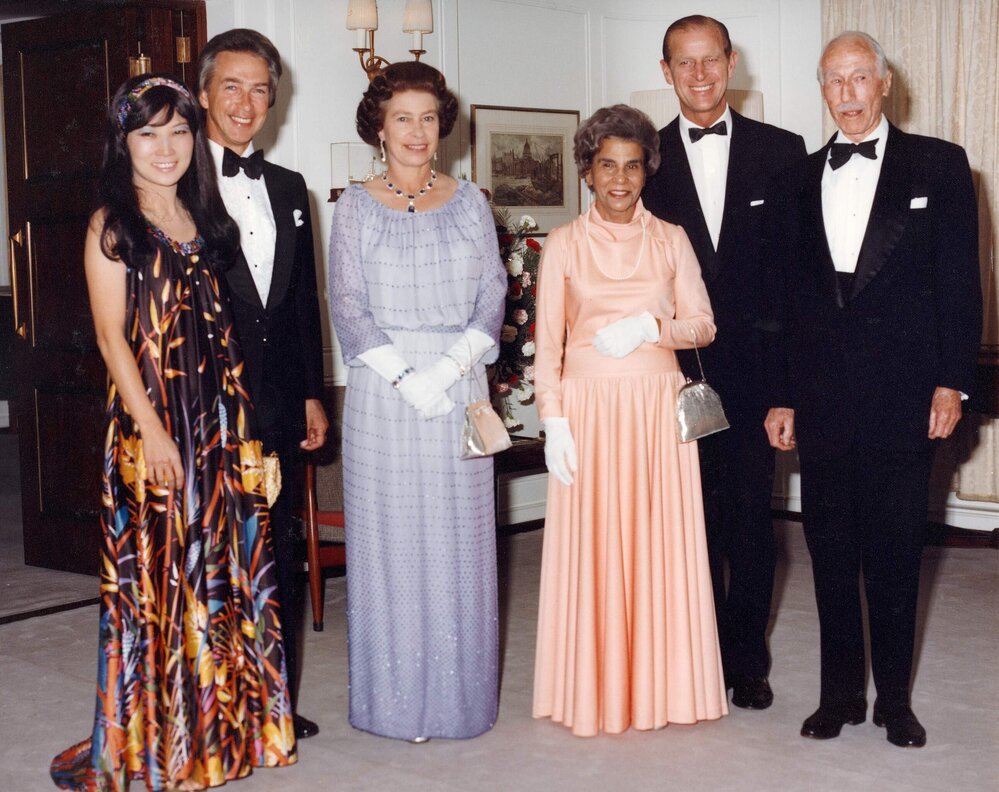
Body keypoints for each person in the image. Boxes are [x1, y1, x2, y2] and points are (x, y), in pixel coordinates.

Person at [50, 74, 296, 790]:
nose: (166, 148)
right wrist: (153, 433)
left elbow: (222, 333)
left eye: (180, 132)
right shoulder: (113, 223)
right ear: (122, 142)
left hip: (218, 420)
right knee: (163, 576)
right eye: (148, 133)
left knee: (221, 567)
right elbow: (111, 338)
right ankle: (167, 740)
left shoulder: (201, 213)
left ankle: (221, 733)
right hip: (155, 421)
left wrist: (245, 430)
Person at [765, 32, 982, 748]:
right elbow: (786, 302)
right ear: (822, 89)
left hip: (904, 395)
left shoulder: (939, 165)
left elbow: (961, 283)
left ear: (885, 83)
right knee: (828, 552)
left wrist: (952, 382)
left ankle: (894, 700)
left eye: (859, 77)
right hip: (822, 399)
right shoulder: (797, 179)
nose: (847, 93)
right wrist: (782, 395)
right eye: (834, 80)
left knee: (895, 554)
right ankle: (838, 698)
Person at [533, 104, 727, 736]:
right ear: (588, 171)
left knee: (659, 545)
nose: (620, 179)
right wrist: (553, 421)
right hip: (587, 411)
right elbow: (549, 344)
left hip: (655, 411)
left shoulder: (671, 238)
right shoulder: (563, 244)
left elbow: (703, 325)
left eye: (633, 166)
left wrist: (652, 327)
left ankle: (665, 690)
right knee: (595, 549)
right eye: (608, 165)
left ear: (648, 171)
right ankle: (595, 692)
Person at [327, 61, 506, 742]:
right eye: (402, 117)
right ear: (378, 126)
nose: (416, 131)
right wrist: (408, 379)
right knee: (390, 543)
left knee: (460, 544)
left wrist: (449, 370)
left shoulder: (470, 202)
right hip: (384, 393)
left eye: (428, 117)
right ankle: (394, 706)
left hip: (459, 387)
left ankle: (458, 705)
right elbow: (347, 304)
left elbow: (493, 293)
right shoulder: (354, 205)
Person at [642, 14, 807, 711]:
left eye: (710, 59)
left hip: (754, 375)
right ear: (666, 72)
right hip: (670, 374)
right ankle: (698, 656)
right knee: (687, 521)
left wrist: (786, 389)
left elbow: (797, 280)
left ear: (731, 63)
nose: (700, 75)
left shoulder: (783, 151)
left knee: (748, 521)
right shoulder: (640, 158)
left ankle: (747, 662)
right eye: (685, 63)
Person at [196, 29, 328, 740]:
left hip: (279, 402)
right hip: (203, 402)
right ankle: (211, 710)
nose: (246, 104)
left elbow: (303, 300)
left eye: (259, 90)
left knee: (276, 548)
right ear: (203, 93)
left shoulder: (288, 186)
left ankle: (273, 701)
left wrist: (312, 393)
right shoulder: (173, 178)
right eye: (232, 86)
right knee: (213, 552)